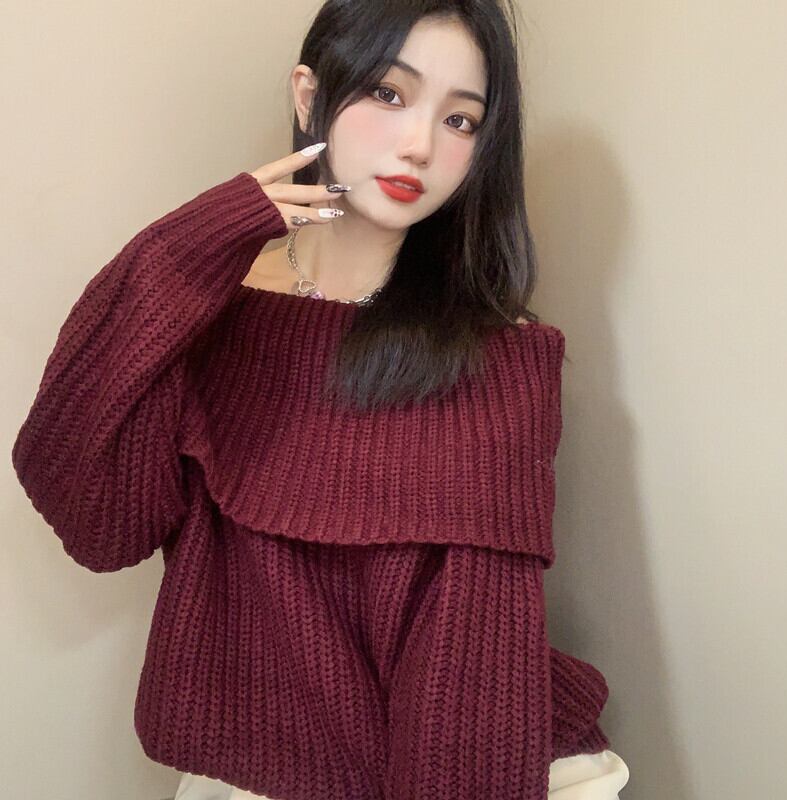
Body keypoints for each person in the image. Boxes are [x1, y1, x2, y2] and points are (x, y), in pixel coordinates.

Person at [10, 1, 630, 798]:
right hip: (246, 768)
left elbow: (467, 686)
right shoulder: (210, 308)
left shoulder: (498, 359)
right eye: (389, 93)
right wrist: (185, 250)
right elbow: (97, 523)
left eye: (461, 120)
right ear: (310, 96)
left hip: (461, 769)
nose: (420, 144)